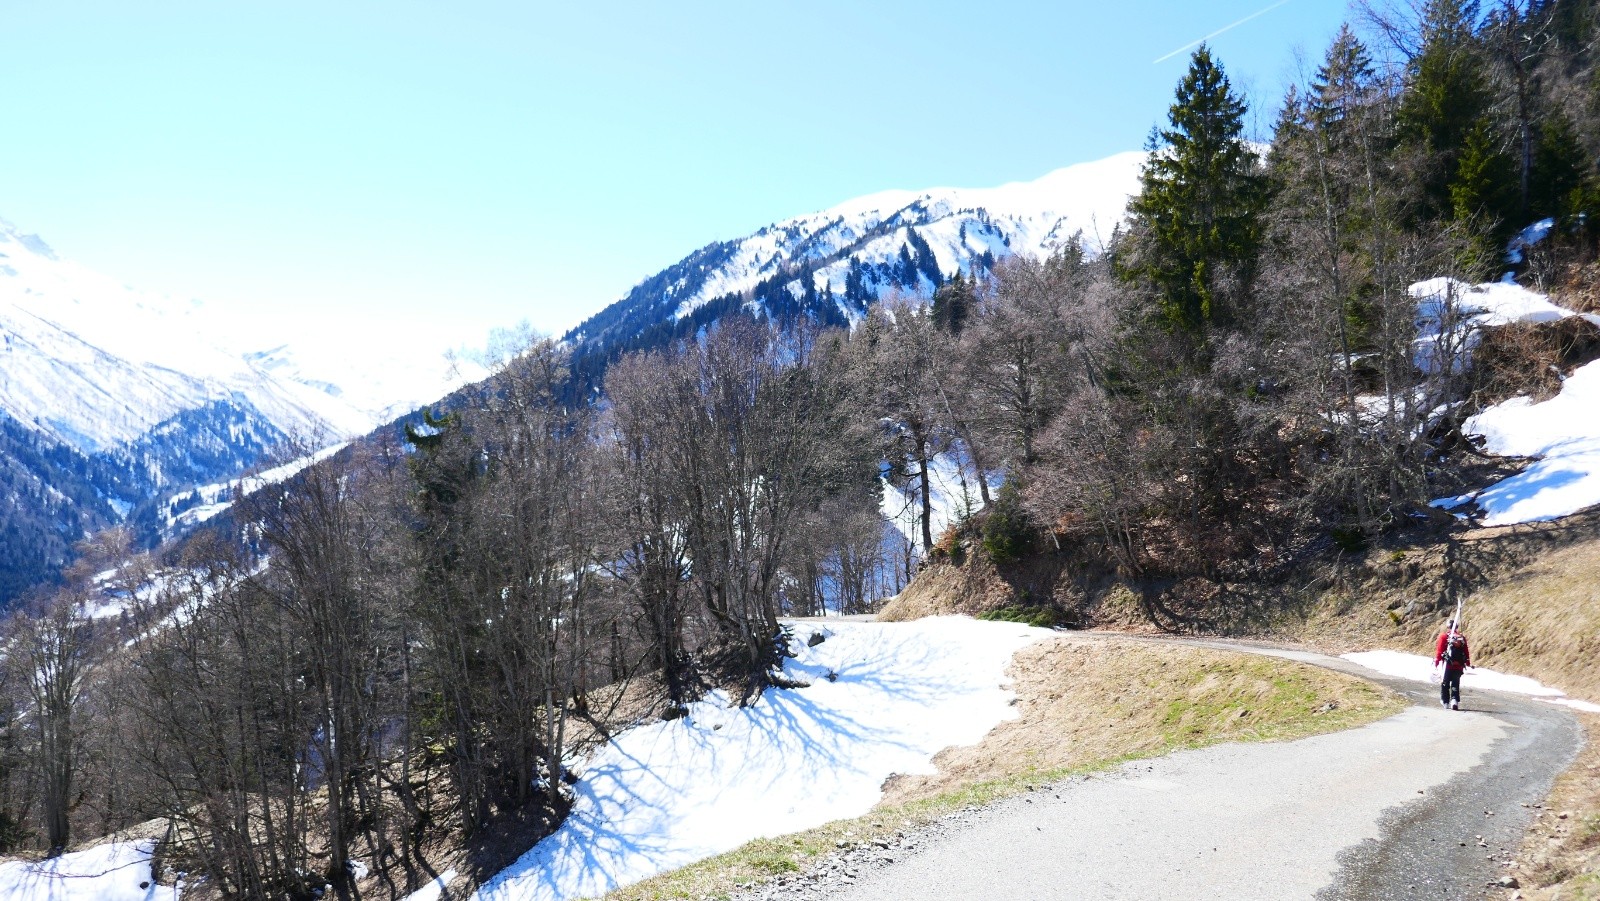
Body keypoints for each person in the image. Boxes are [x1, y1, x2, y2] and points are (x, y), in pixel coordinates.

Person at [1433, 619, 1471, 710]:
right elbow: (1466, 651)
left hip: (1447, 665)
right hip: (1459, 665)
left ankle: (1445, 702)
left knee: (1445, 683)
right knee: (1455, 683)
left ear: (1447, 627)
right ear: (1457, 627)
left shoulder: (1444, 637)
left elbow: (1439, 651)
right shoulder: (1461, 638)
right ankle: (1454, 700)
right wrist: (1467, 662)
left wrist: (1437, 661)